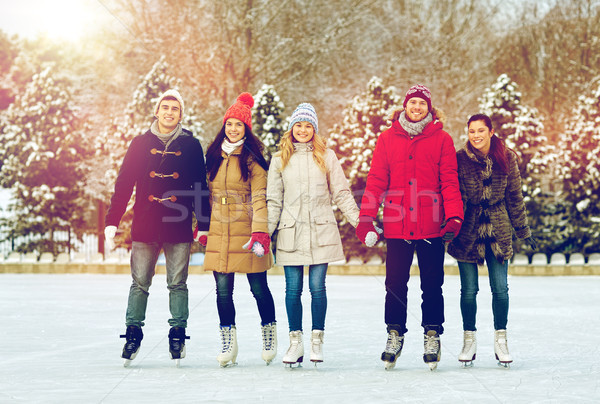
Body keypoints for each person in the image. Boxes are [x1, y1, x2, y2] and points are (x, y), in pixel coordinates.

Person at [355, 84, 464, 370]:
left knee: (432, 284)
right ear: (405, 106)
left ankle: (432, 333)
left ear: (430, 108)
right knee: (394, 284)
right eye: (412, 103)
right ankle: (394, 333)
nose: (417, 108)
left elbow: (450, 181)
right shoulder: (387, 138)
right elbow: (377, 180)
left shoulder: (442, 139)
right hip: (397, 222)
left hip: (431, 224)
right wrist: (366, 217)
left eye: (422, 104)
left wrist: (454, 216)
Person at [105, 89, 210, 366]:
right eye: (165, 107)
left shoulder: (191, 145)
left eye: (175, 108)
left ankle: (177, 333)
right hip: (146, 223)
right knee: (139, 283)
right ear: (157, 111)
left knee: (178, 283)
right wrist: (112, 220)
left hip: (178, 224)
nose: (169, 112)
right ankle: (133, 333)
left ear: (180, 114)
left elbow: (200, 186)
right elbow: (124, 183)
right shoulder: (140, 144)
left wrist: (204, 223)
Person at [267, 103, 360, 366]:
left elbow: (341, 193)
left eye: (308, 126)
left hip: (321, 231)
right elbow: (274, 201)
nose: (303, 130)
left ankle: (317, 340)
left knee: (317, 288)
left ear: (314, 129)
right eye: (299, 125)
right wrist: (265, 234)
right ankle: (295, 343)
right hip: (291, 232)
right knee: (292, 289)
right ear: (291, 128)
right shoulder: (279, 160)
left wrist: (359, 222)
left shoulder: (327, 156)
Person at [448, 113, 536, 367]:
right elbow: (454, 195)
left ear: (490, 131)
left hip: (498, 228)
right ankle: (469, 339)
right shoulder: (460, 159)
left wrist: (522, 229)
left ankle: (501, 339)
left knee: (500, 289)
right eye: (471, 131)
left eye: (480, 131)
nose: (475, 135)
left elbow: (514, 197)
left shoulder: (507, 158)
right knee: (469, 291)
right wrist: (450, 226)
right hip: (468, 229)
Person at [203, 92, 277, 367]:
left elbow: (260, 196)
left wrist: (260, 232)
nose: (233, 129)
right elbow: (204, 195)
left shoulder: (252, 160)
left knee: (259, 288)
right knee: (223, 292)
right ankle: (228, 343)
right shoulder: (213, 156)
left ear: (246, 128)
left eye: (239, 125)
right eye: (230, 124)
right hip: (220, 233)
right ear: (224, 126)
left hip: (247, 232)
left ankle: (269, 333)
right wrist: (203, 226)